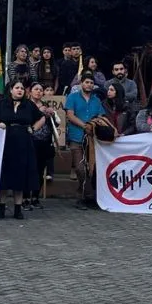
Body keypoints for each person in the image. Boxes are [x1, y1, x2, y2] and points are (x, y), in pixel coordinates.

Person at [0, 80, 44, 220]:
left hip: (23, 142)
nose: (20, 90)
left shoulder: (29, 105)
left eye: (21, 88)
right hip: (5, 142)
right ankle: (1, 207)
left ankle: (18, 208)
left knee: (20, 175)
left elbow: (42, 118)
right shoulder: (2, 104)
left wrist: (34, 128)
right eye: (16, 88)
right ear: (11, 89)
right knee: (4, 175)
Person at [65, 71, 107, 209]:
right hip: (77, 136)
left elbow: (101, 116)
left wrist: (94, 124)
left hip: (93, 139)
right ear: (81, 83)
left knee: (92, 169)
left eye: (91, 83)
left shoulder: (96, 100)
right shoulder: (72, 97)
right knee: (80, 168)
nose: (89, 85)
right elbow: (70, 115)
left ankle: (87, 197)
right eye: (87, 82)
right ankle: (84, 196)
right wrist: (84, 125)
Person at [26, 82, 59, 210]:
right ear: (30, 91)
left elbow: (55, 124)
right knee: (29, 169)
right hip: (30, 141)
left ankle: (35, 197)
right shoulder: (26, 105)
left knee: (40, 170)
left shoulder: (46, 106)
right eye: (36, 89)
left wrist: (52, 115)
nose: (39, 92)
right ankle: (25, 197)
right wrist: (38, 112)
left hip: (44, 142)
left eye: (41, 89)